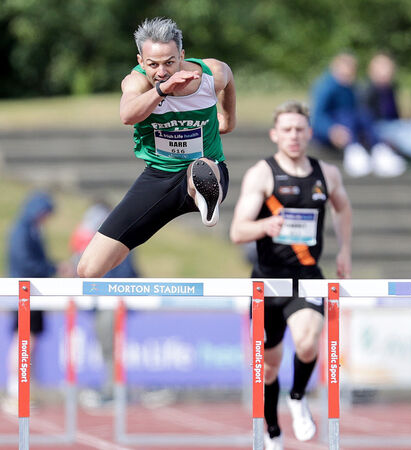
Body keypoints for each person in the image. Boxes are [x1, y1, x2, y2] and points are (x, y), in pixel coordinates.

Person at [230, 100, 352, 448]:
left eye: (299, 129)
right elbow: (237, 231)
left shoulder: (327, 174)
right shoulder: (262, 174)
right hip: (268, 282)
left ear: (309, 133)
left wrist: (345, 249)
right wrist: (265, 225)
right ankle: (272, 431)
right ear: (275, 134)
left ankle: (298, 397)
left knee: (308, 342)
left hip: (308, 276)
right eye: (287, 130)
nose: (294, 135)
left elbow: (343, 209)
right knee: (269, 366)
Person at [76, 16, 236, 279]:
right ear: (141, 61)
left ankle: (205, 195)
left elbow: (227, 77)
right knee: (88, 269)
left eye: (169, 63)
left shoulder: (208, 75)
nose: (161, 72)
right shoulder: (136, 83)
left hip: (207, 170)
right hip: (158, 178)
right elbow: (127, 115)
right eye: (153, 64)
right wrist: (162, 90)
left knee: (201, 167)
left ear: (181, 56)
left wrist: (228, 120)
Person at [2, 191, 71, 412]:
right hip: (24, 293)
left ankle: (23, 390)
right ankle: (15, 392)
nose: (46, 219)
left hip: (33, 292)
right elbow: (25, 263)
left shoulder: (31, 229)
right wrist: (54, 268)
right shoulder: (22, 230)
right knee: (24, 340)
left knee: (28, 341)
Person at [69, 201, 140, 408]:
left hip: (111, 301)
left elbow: (124, 272)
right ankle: (114, 389)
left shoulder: (119, 237)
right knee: (107, 349)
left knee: (110, 349)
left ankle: (115, 391)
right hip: (101, 302)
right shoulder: (91, 237)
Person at [310, 52, 405, 178]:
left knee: (364, 115)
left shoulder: (352, 88)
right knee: (346, 116)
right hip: (331, 131)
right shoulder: (326, 87)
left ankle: (379, 150)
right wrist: (330, 130)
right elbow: (317, 117)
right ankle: (354, 151)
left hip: (349, 128)